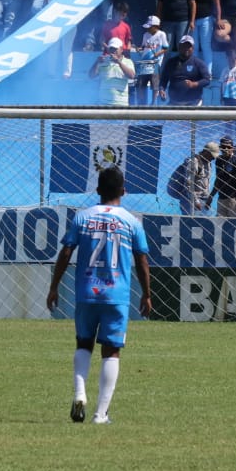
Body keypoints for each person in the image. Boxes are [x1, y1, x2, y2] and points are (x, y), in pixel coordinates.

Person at [47, 166, 153, 425]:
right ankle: (100, 414)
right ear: (124, 191)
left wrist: (54, 285)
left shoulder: (82, 218)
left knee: (83, 344)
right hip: (116, 295)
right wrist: (147, 294)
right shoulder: (131, 221)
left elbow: (65, 253)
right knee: (111, 351)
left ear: (97, 190)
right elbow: (142, 260)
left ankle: (80, 394)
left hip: (86, 293)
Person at [158, 35, 209, 106]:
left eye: (189, 46)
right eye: (184, 46)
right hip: (174, 103)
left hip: (194, 103)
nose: (186, 48)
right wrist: (161, 89)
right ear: (179, 47)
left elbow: (207, 80)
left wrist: (194, 84)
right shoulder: (170, 62)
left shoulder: (198, 63)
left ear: (193, 48)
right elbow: (164, 79)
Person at [170, 141, 219, 215]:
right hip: (190, 200)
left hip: (203, 199)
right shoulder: (194, 162)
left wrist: (207, 199)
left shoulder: (208, 163)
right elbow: (188, 184)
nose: (213, 158)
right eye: (212, 156)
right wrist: (196, 201)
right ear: (206, 151)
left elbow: (205, 183)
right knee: (190, 223)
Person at [188, 0, 220, 75]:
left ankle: (208, 72)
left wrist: (218, 19)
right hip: (193, 21)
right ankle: (195, 72)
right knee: (194, 46)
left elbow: (217, 4)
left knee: (206, 46)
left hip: (206, 19)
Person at [132, 15, 168, 105]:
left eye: (150, 27)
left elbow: (166, 48)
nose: (148, 29)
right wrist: (139, 49)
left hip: (155, 63)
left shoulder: (161, 34)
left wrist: (157, 54)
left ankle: (153, 103)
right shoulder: (145, 35)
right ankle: (142, 103)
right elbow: (144, 46)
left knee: (154, 85)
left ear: (156, 26)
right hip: (144, 62)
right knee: (141, 83)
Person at [212, 139, 236, 217]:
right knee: (220, 222)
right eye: (223, 147)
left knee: (234, 223)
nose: (226, 149)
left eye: (228, 147)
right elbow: (218, 179)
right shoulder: (219, 160)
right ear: (220, 148)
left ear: (232, 148)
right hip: (222, 198)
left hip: (235, 198)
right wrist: (211, 196)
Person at [90, 37, 135, 106]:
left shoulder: (128, 61)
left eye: (115, 49)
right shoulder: (103, 61)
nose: (113, 51)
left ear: (121, 49)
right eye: (111, 48)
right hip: (103, 104)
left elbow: (131, 75)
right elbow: (91, 76)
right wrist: (96, 62)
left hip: (121, 104)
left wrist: (118, 62)